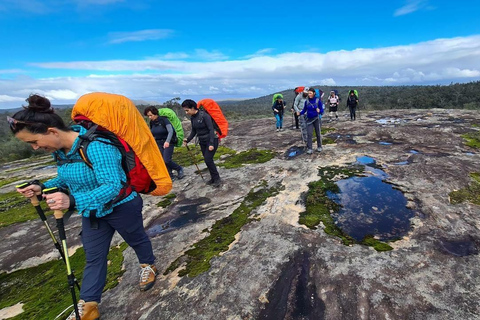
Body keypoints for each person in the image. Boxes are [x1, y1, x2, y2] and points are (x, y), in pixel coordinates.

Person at [10, 94, 157, 320]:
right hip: (93, 212)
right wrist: (42, 187)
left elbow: (113, 186)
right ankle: (88, 306)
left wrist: (74, 202)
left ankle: (148, 265)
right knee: (94, 256)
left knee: (136, 238)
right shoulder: (61, 152)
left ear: (51, 132)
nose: (35, 148)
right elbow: (66, 179)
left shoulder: (97, 147)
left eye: (34, 141)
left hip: (122, 207)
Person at [181, 99, 221, 187]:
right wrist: (187, 140)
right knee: (207, 160)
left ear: (192, 108)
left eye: (187, 110)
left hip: (212, 140)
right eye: (185, 111)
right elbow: (194, 131)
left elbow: (211, 130)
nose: (186, 113)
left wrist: (211, 144)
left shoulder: (204, 116)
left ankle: (217, 179)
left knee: (208, 159)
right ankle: (213, 178)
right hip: (202, 141)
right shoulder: (193, 118)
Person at [144, 106, 184, 181]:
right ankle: (170, 175)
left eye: (150, 115)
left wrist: (167, 141)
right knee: (162, 160)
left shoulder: (164, 120)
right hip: (159, 142)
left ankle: (179, 168)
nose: (149, 117)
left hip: (168, 142)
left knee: (167, 159)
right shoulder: (152, 122)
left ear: (155, 113)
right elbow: (152, 133)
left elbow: (170, 131)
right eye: (148, 116)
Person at [299, 88, 324, 154]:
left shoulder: (317, 101)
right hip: (309, 120)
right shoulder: (306, 101)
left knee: (318, 133)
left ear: (314, 93)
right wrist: (299, 113)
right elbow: (304, 110)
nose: (309, 94)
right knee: (309, 134)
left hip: (316, 119)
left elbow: (322, 110)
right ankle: (310, 148)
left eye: (310, 93)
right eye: (308, 93)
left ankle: (319, 146)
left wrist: (320, 111)